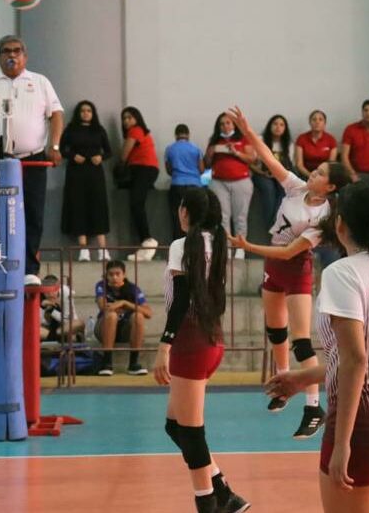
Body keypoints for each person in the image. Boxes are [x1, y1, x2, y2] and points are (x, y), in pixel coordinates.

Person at [265, 179, 369, 513]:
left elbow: (356, 360)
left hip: (368, 422)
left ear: (340, 225)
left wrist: (342, 443)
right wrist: (303, 378)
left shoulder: (342, 273)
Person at [225, 106, 350, 439]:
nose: (314, 173)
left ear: (332, 187)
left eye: (322, 172)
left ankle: (313, 406)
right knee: (275, 332)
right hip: (273, 266)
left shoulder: (324, 218)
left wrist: (246, 246)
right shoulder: (296, 188)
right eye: (317, 168)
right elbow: (268, 159)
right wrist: (248, 131)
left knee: (301, 342)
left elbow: (288, 251)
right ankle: (282, 384)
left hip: (294, 268)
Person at [152, 187, 249, 513]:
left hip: (191, 342)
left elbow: (180, 302)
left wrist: (164, 346)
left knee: (192, 432)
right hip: (211, 339)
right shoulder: (218, 242)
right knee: (175, 425)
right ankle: (224, 492)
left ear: (186, 212)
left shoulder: (184, 244)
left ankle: (209, 504)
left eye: (181, 208)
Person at [0, 35, 64, 284]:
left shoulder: (40, 82)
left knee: (33, 214)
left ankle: (29, 268)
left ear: (24, 56)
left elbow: (57, 114)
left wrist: (55, 145)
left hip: (33, 160)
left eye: (17, 51)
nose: (12, 55)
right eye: (6, 51)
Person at [60, 100, 112, 262]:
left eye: (89, 110)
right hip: (76, 173)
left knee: (98, 205)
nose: (85, 113)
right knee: (78, 206)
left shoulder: (99, 129)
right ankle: (83, 250)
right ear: (78, 113)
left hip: (95, 172)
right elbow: (62, 149)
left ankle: (102, 250)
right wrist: (73, 156)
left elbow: (109, 151)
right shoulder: (71, 129)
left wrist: (100, 157)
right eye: (82, 110)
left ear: (93, 113)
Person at [205, 112, 257, 260]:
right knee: (222, 217)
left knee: (240, 216)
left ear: (234, 124)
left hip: (241, 181)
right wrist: (211, 152)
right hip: (218, 182)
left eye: (228, 122)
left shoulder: (243, 138)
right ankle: (225, 248)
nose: (225, 126)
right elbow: (207, 164)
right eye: (222, 123)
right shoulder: (215, 140)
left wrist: (235, 152)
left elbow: (252, 159)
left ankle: (240, 248)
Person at [94, 260, 152, 376]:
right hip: (104, 328)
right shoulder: (101, 286)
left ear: (124, 275)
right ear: (106, 275)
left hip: (125, 330)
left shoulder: (133, 289)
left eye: (117, 274)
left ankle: (133, 364)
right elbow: (104, 307)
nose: (114, 277)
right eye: (111, 274)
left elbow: (148, 313)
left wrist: (124, 303)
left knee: (138, 316)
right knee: (111, 315)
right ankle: (107, 363)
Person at [120, 106, 160, 261]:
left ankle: (148, 239)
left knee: (136, 203)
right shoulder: (139, 131)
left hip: (144, 169)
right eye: (124, 118)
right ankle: (145, 242)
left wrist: (119, 165)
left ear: (137, 119)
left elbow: (125, 153)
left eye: (130, 117)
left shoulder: (136, 130)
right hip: (142, 170)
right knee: (136, 203)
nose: (126, 121)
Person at [165, 124, 205, 241]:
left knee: (178, 217)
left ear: (176, 135)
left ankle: (179, 243)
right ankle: (196, 242)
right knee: (196, 215)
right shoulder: (196, 148)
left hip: (177, 185)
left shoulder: (170, 149)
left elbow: (169, 170)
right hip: (195, 185)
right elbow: (202, 169)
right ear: (188, 134)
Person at [252, 115, 291, 229]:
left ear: (285, 128)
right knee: (269, 190)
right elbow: (251, 163)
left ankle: (277, 221)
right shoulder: (260, 140)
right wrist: (262, 172)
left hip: (280, 175)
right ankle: (271, 225)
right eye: (275, 124)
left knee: (285, 189)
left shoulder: (288, 144)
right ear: (269, 126)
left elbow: (289, 165)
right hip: (261, 174)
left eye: (281, 125)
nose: (278, 127)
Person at [40, 274, 84, 342]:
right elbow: (40, 322)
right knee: (36, 330)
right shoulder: (39, 297)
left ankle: (54, 337)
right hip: (47, 329)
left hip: (62, 328)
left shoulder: (65, 293)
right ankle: (58, 338)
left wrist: (52, 311)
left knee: (79, 323)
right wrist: (44, 308)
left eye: (53, 290)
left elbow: (69, 320)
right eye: (47, 292)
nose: (50, 294)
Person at [294, 110, 337, 179]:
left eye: (320, 119)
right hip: (305, 174)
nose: (317, 122)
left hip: (324, 175)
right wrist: (311, 176)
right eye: (314, 119)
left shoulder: (331, 139)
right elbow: (299, 165)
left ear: (324, 123)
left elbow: (331, 164)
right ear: (310, 122)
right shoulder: (301, 138)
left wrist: (321, 177)